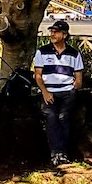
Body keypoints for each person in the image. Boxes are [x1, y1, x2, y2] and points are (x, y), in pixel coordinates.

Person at [33, 20, 83, 166]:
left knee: (64, 120)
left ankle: (62, 153)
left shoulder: (74, 53)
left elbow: (79, 76)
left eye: (56, 32)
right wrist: (44, 91)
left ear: (65, 35)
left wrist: (75, 88)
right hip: (49, 91)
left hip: (67, 91)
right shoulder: (42, 51)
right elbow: (38, 75)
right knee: (52, 119)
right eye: (52, 31)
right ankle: (56, 153)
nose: (53, 34)